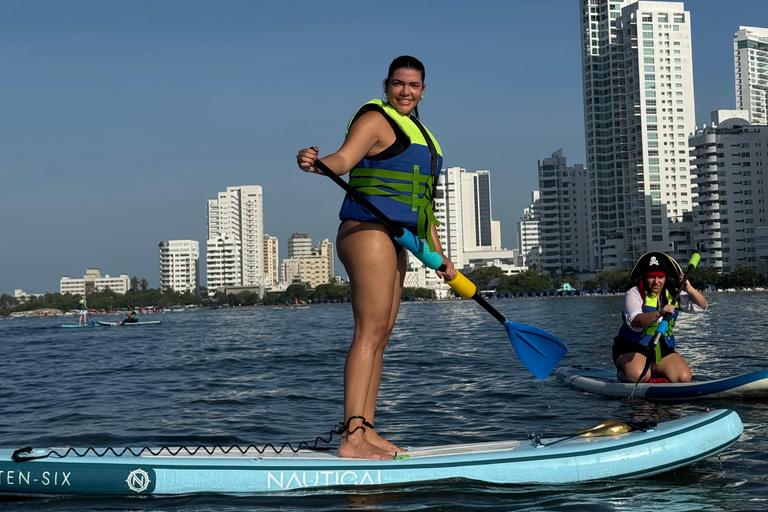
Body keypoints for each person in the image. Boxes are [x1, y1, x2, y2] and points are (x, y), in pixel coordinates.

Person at [297, 56, 457, 459]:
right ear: (387, 85)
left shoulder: (424, 136)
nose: (406, 91)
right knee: (368, 333)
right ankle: (351, 438)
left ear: (424, 90)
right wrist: (316, 164)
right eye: (399, 84)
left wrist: (439, 257)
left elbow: (422, 206)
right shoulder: (374, 118)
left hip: (398, 236)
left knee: (382, 336)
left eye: (414, 85)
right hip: (366, 230)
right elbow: (343, 160)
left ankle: (367, 430)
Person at [613, 252, 707, 383]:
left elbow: (702, 305)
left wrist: (689, 288)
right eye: (651, 277)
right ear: (644, 278)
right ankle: (623, 374)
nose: (656, 281)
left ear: (665, 278)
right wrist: (659, 313)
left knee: (683, 377)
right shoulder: (633, 293)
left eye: (660, 277)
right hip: (632, 347)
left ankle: (654, 370)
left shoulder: (672, 295)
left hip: (661, 347)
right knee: (639, 376)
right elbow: (636, 321)